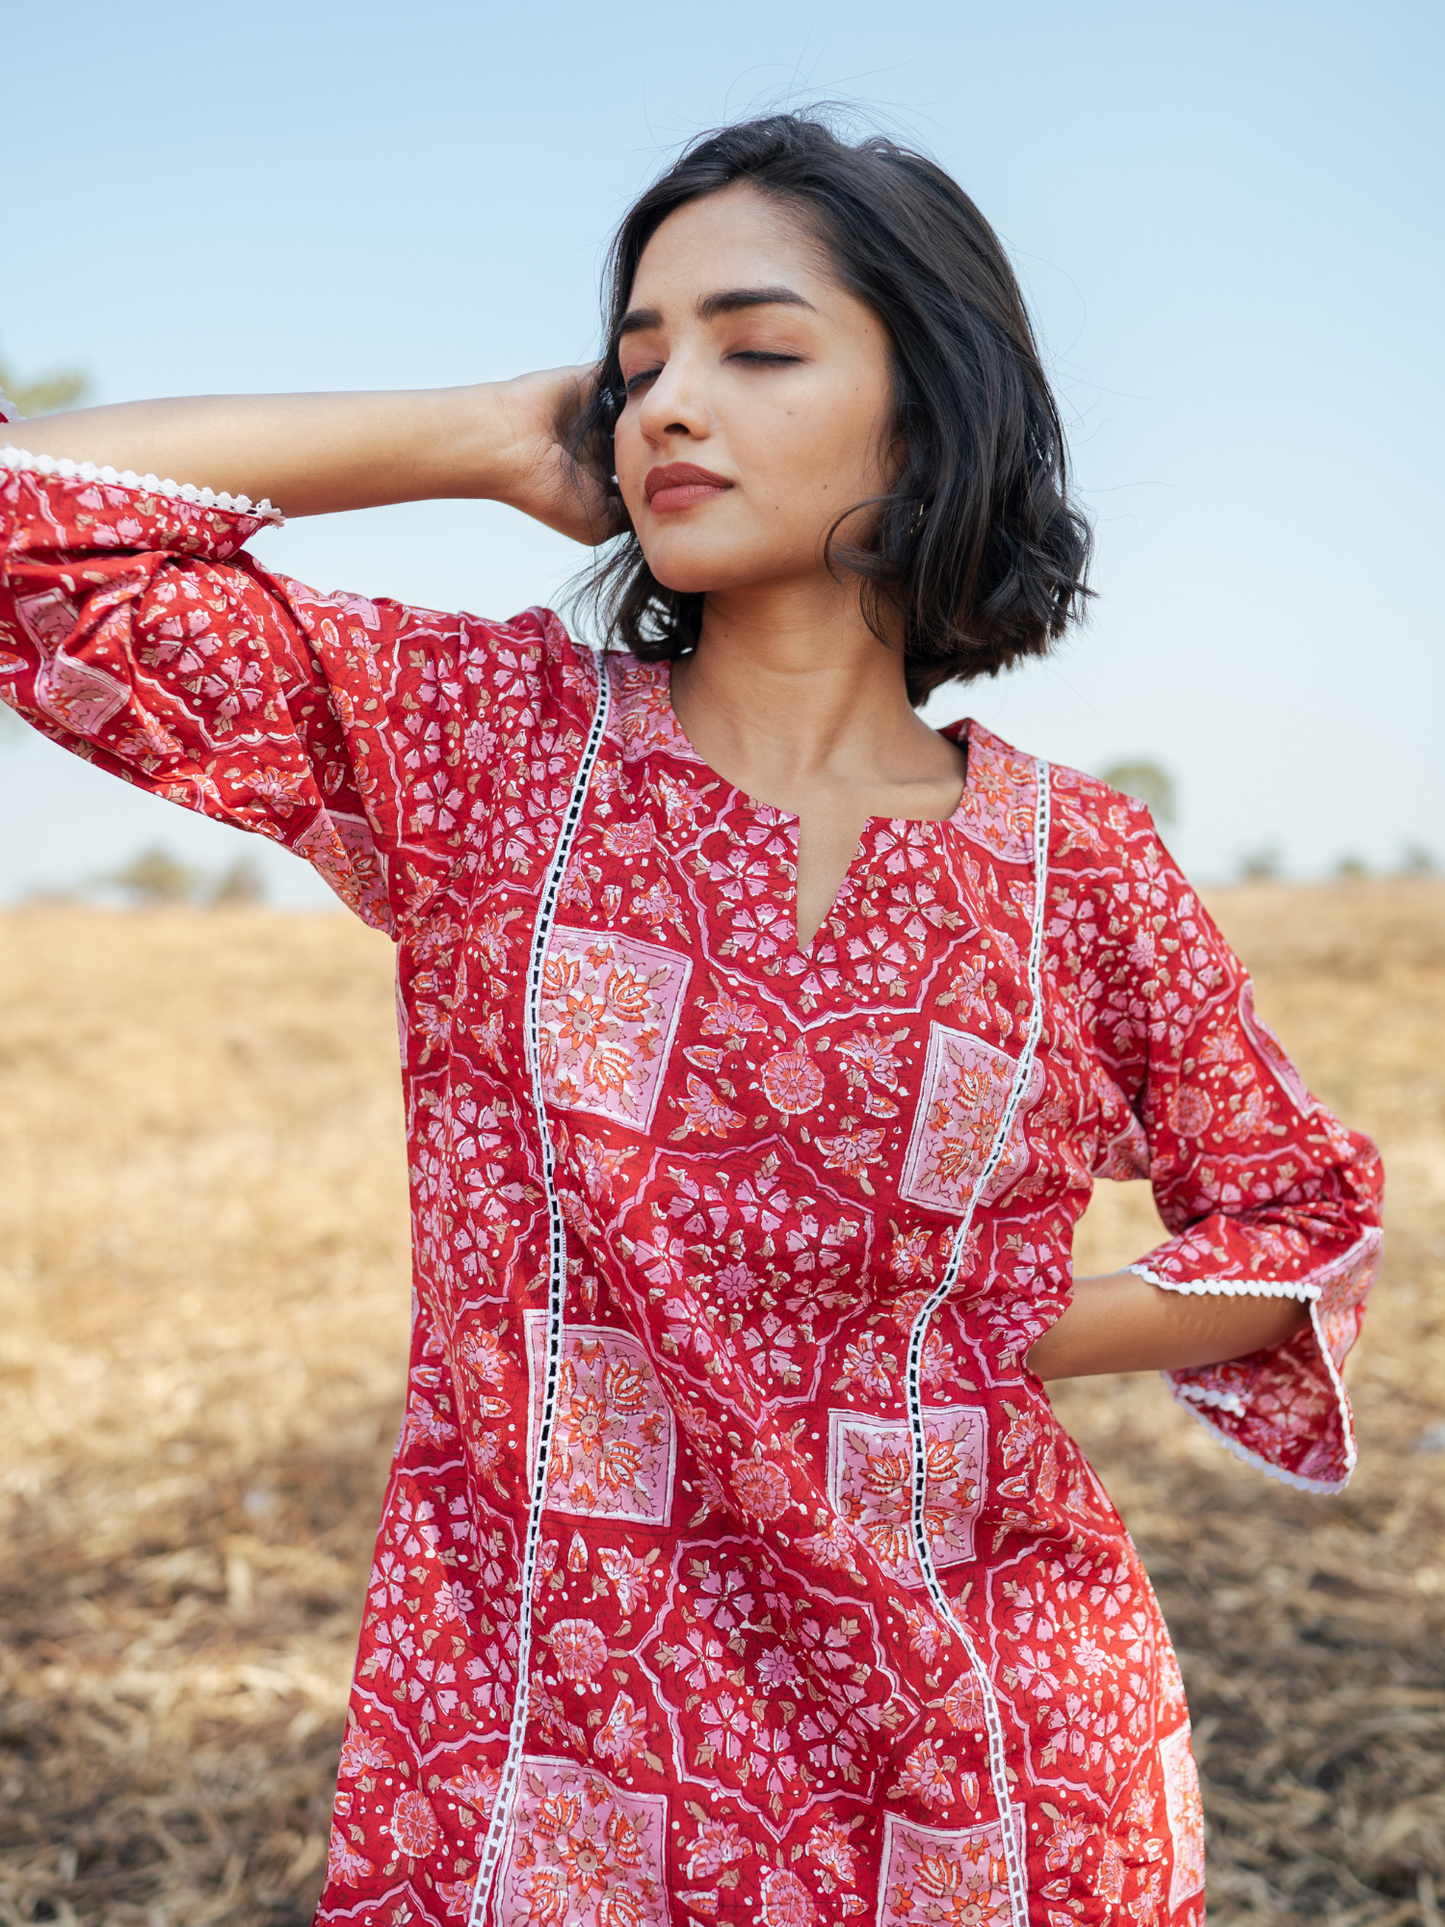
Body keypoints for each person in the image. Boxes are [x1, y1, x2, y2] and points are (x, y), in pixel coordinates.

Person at [0, 114, 1381, 1927]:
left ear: (931, 408)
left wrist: (980, 1331)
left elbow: (1303, 1224)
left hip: (994, 1768)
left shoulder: (1079, 867)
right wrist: (487, 434)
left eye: (757, 349)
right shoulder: (488, 749)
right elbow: (37, 537)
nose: (665, 405)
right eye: (637, 362)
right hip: (546, 1766)